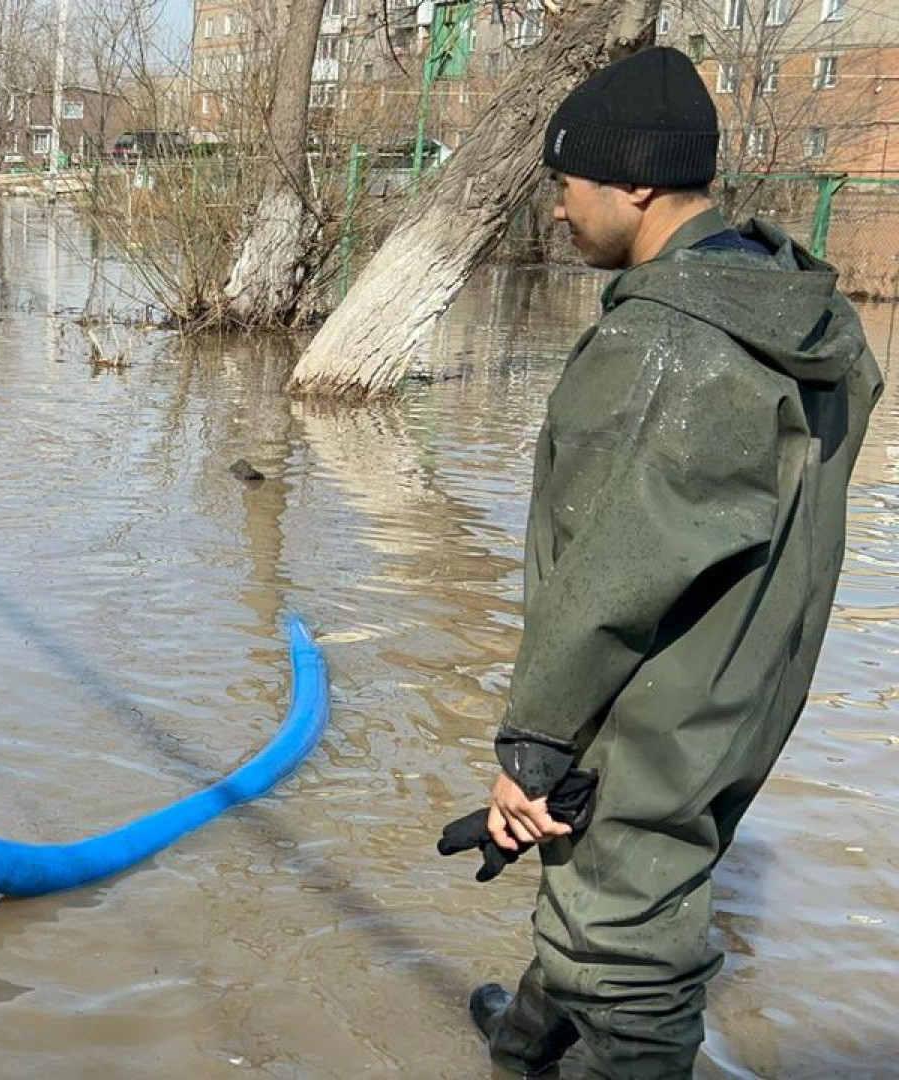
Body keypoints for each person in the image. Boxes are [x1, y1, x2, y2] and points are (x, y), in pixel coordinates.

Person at [466, 47, 883, 1077]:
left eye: (566, 185)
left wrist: (531, 745)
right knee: (619, 880)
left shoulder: (662, 345)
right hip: (746, 679)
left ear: (636, 182)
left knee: (626, 951)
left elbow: (606, 578)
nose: (558, 211)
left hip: (663, 698)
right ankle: (528, 1038)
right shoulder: (797, 311)